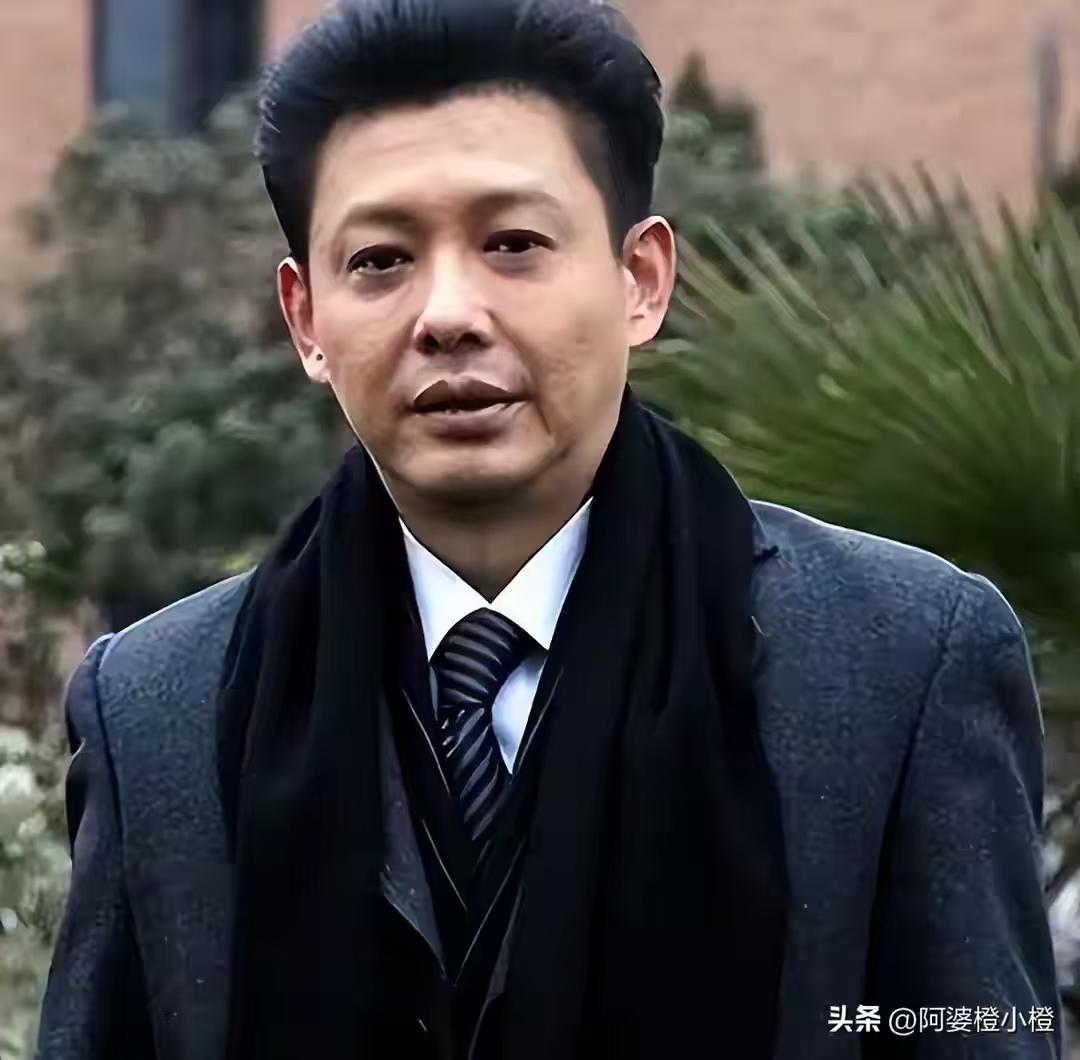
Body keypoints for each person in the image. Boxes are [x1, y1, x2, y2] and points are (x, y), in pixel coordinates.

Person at [37, 1, 1061, 1057]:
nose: (448, 314)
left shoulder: (896, 662)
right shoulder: (158, 707)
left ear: (640, 280)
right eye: (380, 260)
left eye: (514, 244)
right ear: (305, 320)